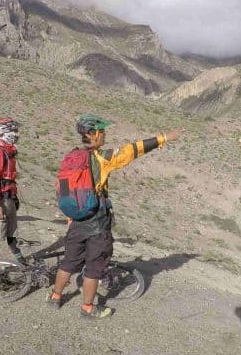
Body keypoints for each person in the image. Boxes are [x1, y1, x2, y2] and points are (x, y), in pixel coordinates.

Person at [49, 115, 182, 319]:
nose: (104, 135)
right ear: (92, 134)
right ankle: (88, 308)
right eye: (102, 132)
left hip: (76, 221)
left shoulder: (71, 157)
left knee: (69, 261)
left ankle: (55, 297)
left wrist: (70, 216)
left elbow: (64, 189)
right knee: (94, 267)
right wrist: (163, 138)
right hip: (97, 224)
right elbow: (132, 150)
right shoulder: (103, 158)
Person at [0, 117, 23, 264]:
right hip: (1, 199)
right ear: (6, 132)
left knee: (12, 233)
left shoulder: (8, 150)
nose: (17, 133)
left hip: (9, 197)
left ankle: (22, 262)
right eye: (14, 130)